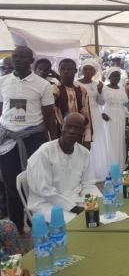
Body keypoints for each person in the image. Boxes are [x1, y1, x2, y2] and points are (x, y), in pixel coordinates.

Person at [0, 46, 58, 232]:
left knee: (36, 182)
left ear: (31, 60)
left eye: (22, 57)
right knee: (11, 184)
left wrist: (53, 141)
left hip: (34, 138)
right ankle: (16, 226)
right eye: (15, 57)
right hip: (8, 140)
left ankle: (37, 222)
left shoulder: (42, 85)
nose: (17, 60)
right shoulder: (3, 82)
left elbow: (49, 115)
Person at [26, 113, 101, 223]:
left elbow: (88, 184)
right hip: (46, 204)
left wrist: (98, 200)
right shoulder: (45, 152)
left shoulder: (84, 153)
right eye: (68, 126)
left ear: (82, 132)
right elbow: (45, 191)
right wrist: (75, 208)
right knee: (81, 221)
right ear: (62, 128)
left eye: (77, 128)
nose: (72, 131)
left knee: (98, 215)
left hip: (75, 200)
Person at [77, 59, 109, 180]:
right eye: (86, 68)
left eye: (91, 69)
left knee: (96, 142)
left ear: (94, 71)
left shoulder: (96, 85)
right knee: (83, 141)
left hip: (95, 115)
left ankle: (96, 170)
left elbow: (101, 102)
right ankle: (84, 172)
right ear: (82, 70)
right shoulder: (76, 84)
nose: (88, 71)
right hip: (82, 115)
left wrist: (100, 91)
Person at [52, 59, 92, 149]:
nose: (66, 72)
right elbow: (52, 115)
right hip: (60, 133)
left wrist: (87, 138)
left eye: (69, 69)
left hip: (78, 133)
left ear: (75, 71)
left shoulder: (81, 90)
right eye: (63, 69)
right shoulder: (54, 89)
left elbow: (86, 115)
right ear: (59, 70)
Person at [102, 70, 129, 170]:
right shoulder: (104, 88)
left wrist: (126, 116)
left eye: (118, 76)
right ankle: (111, 166)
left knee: (120, 139)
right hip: (109, 114)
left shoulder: (121, 88)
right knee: (111, 140)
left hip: (120, 115)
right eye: (114, 76)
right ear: (109, 77)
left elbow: (124, 104)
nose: (117, 78)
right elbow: (100, 102)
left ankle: (120, 165)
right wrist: (102, 113)